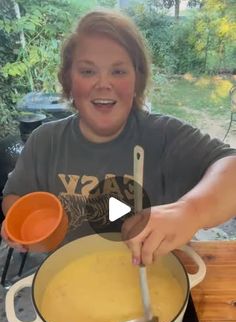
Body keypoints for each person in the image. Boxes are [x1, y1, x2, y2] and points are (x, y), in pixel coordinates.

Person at [1, 9, 236, 266]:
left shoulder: (164, 136)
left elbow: (230, 166)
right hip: (70, 282)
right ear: (69, 80)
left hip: (151, 281)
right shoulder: (45, 141)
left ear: (137, 79)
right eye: (88, 72)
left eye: (119, 71)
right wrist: (22, 225)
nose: (104, 84)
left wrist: (191, 211)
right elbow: (14, 198)